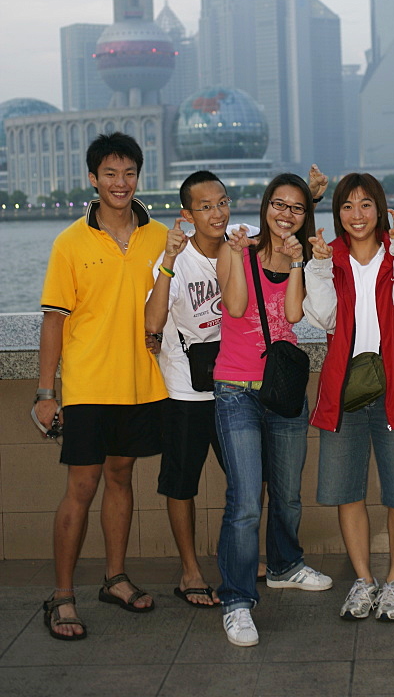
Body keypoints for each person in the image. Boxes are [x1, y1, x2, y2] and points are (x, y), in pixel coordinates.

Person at [35, 132, 168, 641]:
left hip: (141, 383)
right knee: (82, 487)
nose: (120, 182)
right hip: (88, 385)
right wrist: (47, 393)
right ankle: (62, 595)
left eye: (129, 173)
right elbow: (52, 320)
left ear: (139, 176)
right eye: (110, 174)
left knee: (121, 477)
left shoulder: (159, 236)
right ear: (93, 179)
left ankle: (115, 577)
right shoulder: (70, 242)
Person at [304, 173, 394, 622]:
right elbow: (322, 317)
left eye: (366, 205)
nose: (357, 214)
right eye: (347, 206)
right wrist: (319, 266)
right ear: (337, 212)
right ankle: (364, 581)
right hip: (344, 390)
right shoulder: (329, 258)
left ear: (379, 209)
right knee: (348, 493)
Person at [214, 172, 333, 648]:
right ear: (266, 207)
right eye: (279, 205)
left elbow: (298, 315)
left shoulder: (302, 253)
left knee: (287, 494)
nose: (286, 214)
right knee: (244, 501)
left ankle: (284, 566)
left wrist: (300, 262)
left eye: (297, 208)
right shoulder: (235, 249)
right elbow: (238, 307)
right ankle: (237, 601)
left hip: (282, 391)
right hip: (235, 390)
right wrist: (242, 256)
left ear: (306, 216)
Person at [145, 171, 242, 607]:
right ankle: (189, 571)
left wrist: (311, 197)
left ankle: (241, 559)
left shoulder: (241, 242)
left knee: (246, 477)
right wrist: (167, 259)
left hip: (235, 383)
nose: (217, 213)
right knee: (182, 483)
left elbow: (284, 226)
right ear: (187, 215)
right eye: (205, 207)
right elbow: (151, 323)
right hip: (186, 390)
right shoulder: (176, 260)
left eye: (221, 202)